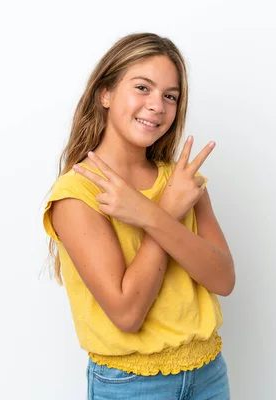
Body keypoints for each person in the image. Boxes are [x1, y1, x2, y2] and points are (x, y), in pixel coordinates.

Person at [42, 32, 235, 399]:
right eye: (142, 88)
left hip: (209, 374)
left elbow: (223, 279)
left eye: (170, 96)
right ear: (106, 93)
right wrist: (165, 212)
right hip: (132, 385)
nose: (157, 106)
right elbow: (127, 314)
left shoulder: (182, 183)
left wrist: (153, 215)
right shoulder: (77, 193)